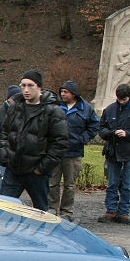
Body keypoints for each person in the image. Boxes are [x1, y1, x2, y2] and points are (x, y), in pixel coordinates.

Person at [0, 69, 68, 211]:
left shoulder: (53, 111)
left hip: (37, 172)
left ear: (39, 87)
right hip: (14, 168)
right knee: (3, 207)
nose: (26, 90)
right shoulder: (15, 107)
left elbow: (59, 143)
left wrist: (41, 168)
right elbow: (4, 132)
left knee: (41, 211)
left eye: (30, 85)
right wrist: (5, 156)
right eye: (23, 85)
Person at [48, 79, 100, 221]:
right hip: (56, 151)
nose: (63, 94)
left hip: (74, 152)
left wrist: (82, 139)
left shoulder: (86, 108)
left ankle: (66, 211)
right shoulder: (57, 106)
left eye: (66, 92)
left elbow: (94, 126)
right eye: (62, 91)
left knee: (69, 185)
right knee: (52, 182)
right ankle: (52, 208)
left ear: (74, 94)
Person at [97, 83, 130, 224]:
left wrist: (127, 133)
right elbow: (101, 129)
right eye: (119, 99)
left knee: (128, 185)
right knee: (112, 184)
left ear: (129, 96)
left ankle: (124, 212)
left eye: (124, 99)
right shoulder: (110, 110)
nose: (121, 102)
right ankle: (111, 210)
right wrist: (111, 133)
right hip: (113, 151)